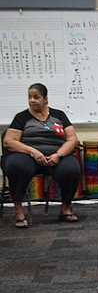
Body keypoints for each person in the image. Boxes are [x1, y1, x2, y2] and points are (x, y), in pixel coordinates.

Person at [3, 83, 81, 228]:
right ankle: (19, 210)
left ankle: (65, 207)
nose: (32, 100)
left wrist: (58, 154)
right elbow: (9, 141)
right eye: (30, 97)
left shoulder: (59, 115)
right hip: (27, 155)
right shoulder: (22, 117)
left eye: (36, 97)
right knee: (17, 167)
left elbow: (72, 139)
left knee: (71, 170)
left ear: (45, 99)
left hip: (55, 155)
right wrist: (33, 151)